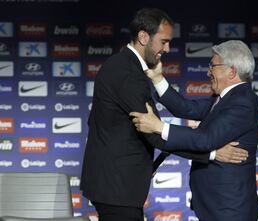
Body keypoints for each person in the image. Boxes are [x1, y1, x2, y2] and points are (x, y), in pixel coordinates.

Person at [80, 8, 248, 221]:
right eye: (164, 41)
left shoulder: (126, 67)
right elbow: (153, 133)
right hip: (116, 186)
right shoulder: (127, 72)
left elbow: (184, 111)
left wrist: (159, 81)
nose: (167, 48)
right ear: (143, 37)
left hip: (117, 185)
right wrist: (212, 154)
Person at [130, 40, 258, 221]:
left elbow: (206, 139)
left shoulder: (242, 101)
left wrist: (159, 127)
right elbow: (187, 108)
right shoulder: (226, 98)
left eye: (212, 66)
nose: (208, 72)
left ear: (231, 71)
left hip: (229, 208)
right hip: (215, 205)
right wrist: (158, 78)